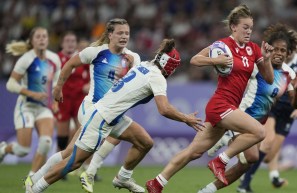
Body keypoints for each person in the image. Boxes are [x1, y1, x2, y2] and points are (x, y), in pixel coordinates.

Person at [26, 38, 204, 193]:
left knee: (145, 142)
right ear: (169, 65)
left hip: (111, 115)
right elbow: (164, 109)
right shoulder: (157, 76)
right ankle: (35, 188)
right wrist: (186, 118)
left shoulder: (144, 65)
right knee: (73, 162)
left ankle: (123, 177)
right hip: (102, 118)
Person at [145, 4, 274, 193]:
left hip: (229, 107)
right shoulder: (222, 45)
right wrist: (216, 61)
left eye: (251, 28)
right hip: (221, 104)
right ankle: (220, 161)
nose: (249, 32)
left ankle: (157, 182)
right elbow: (195, 60)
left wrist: (268, 58)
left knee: (194, 151)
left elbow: (269, 79)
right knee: (259, 133)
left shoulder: (253, 49)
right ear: (233, 27)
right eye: (245, 27)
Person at [24, 18, 142, 192]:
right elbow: (70, 63)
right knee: (74, 158)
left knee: (143, 141)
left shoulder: (134, 58)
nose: (124, 36)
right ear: (110, 35)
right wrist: (58, 87)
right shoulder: (95, 52)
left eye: (127, 33)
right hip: (92, 110)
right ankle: (40, 186)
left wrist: (133, 69)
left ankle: (34, 178)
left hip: (111, 114)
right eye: (120, 33)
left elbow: (134, 86)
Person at [197, 23, 297, 193]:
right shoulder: (258, 65)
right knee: (251, 157)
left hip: (258, 123)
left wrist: (296, 89)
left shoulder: (288, 73)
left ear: (288, 53)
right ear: (269, 48)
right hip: (243, 116)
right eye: (275, 49)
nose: (279, 53)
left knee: (248, 162)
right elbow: (234, 73)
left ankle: (208, 189)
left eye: (283, 50)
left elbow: (295, 103)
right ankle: (223, 150)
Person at [237, 28, 297, 192]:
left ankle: (254, 166)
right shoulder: (275, 61)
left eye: (289, 46)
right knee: (267, 142)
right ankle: (244, 183)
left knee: (269, 155)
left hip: (289, 113)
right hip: (273, 107)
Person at [0, 27, 61, 176]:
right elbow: (11, 84)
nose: (41, 39)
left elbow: (56, 84)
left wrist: (55, 102)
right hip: (25, 107)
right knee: (23, 150)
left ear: (48, 40)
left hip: (43, 108)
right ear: (32, 41)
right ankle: (3, 149)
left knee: (46, 142)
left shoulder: (54, 59)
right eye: (38, 37)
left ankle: (32, 178)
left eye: (44, 37)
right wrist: (30, 93)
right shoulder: (26, 59)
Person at [55, 31, 90, 153]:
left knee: (84, 133)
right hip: (63, 100)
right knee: (62, 140)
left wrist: (88, 85)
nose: (70, 44)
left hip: (79, 100)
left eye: (73, 41)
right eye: (67, 41)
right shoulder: (56, 59)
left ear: (76, 44)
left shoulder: (81, 57)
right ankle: (57, 167)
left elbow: (93, 74)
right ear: (62, 43)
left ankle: (83, 167)